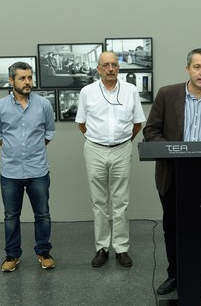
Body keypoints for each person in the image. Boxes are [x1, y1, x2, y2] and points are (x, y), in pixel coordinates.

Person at [143, 48, 201, 298]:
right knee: (172, 226)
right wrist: (172, 150)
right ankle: (174, 274)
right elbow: (150, 131)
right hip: (171, 174)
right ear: (188, 69)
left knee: (199, 227)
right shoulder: (167, 94)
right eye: (197, 67)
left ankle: (200, 276)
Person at [75, 51, 146, 268]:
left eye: (114, 64)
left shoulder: (130, 90)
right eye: (105, 65)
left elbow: (137, 123)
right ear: (98, 69)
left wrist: (122, 143)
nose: (110, 69)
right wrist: (99, 141)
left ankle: (121, 248)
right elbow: (81, 123)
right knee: (99, 202)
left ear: (119, 68)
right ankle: (102, 248)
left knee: (121, 202)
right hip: (95, 149)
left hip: (122, 149)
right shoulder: (87, 92)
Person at [0, 61, 56, 272]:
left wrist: (33, 150)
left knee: (43, 214)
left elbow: (49, 133)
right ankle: (11, 256)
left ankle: (43, 252)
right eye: (22, 78)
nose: (28, 82)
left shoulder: (44, 104)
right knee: (11, 216)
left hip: (38, 170)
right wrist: (15, 151)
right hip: (10, 172)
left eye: (30, 77)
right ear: (11, 80)